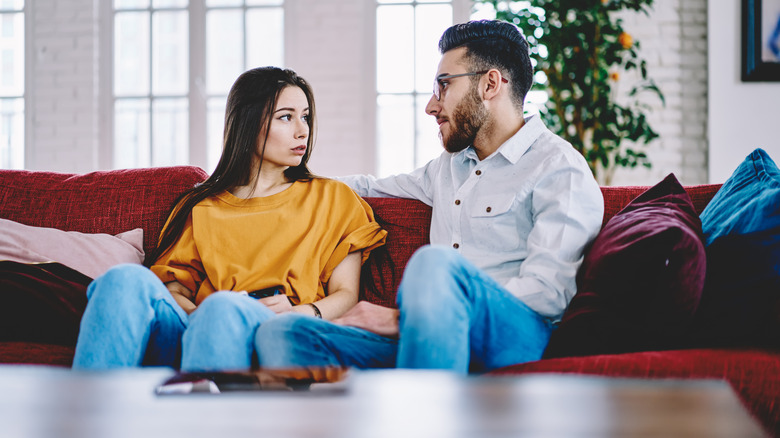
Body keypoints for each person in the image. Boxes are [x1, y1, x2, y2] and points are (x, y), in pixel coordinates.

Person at [254, 20, 604, 374]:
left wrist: (406, 317)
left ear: (490, 84)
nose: (431, 107)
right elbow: (367, 187)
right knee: (284, 333)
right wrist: (267, 182)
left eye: (444, 85)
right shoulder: (449, 167)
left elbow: (548, 294)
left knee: (434, 264)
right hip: (425, 334)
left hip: (517, 336)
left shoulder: (559, 168)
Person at [72, 67, 386, 370]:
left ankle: (207, 418)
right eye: (286, 117)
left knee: (223, 306)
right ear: (248, 124)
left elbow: (347, 294)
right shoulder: (204, 206)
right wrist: (198, 316)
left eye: (305, 117)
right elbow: (175, 289)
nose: (302, 130)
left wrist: (302, 312)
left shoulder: (333, 198)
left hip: (265, 330)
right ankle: (88, 417)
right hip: (192, 330)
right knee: (122, 279)